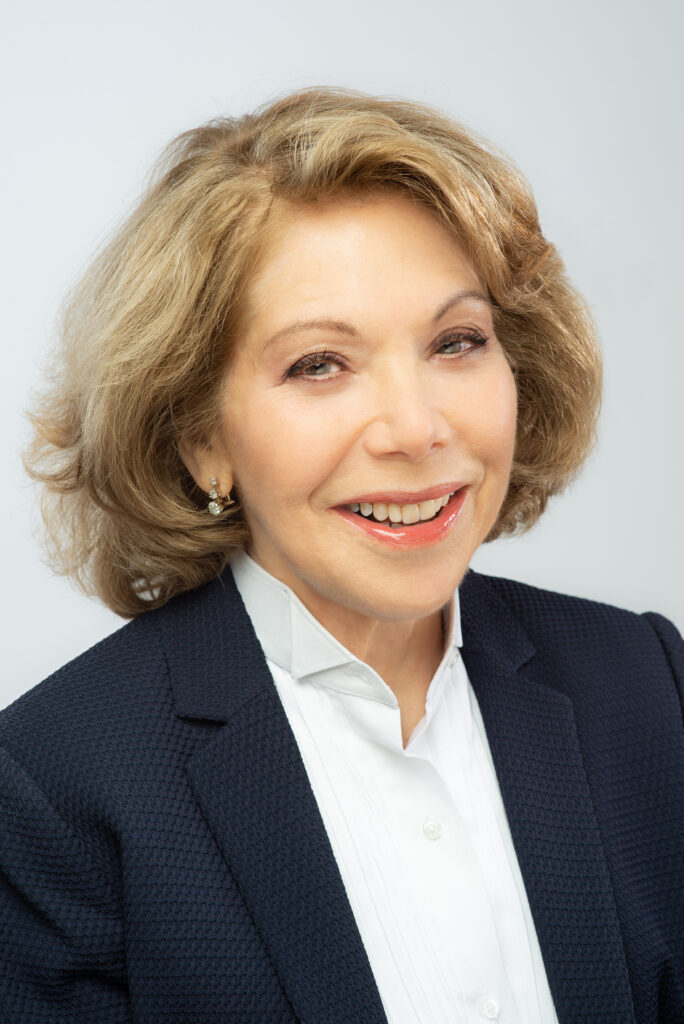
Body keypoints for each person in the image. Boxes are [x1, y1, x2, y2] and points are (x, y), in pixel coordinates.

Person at [1, 86, 681, 1024]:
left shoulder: (646, 686)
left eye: (457, 342)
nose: (416, 428)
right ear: (201, 436)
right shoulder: (57, 788)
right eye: (319, 363)